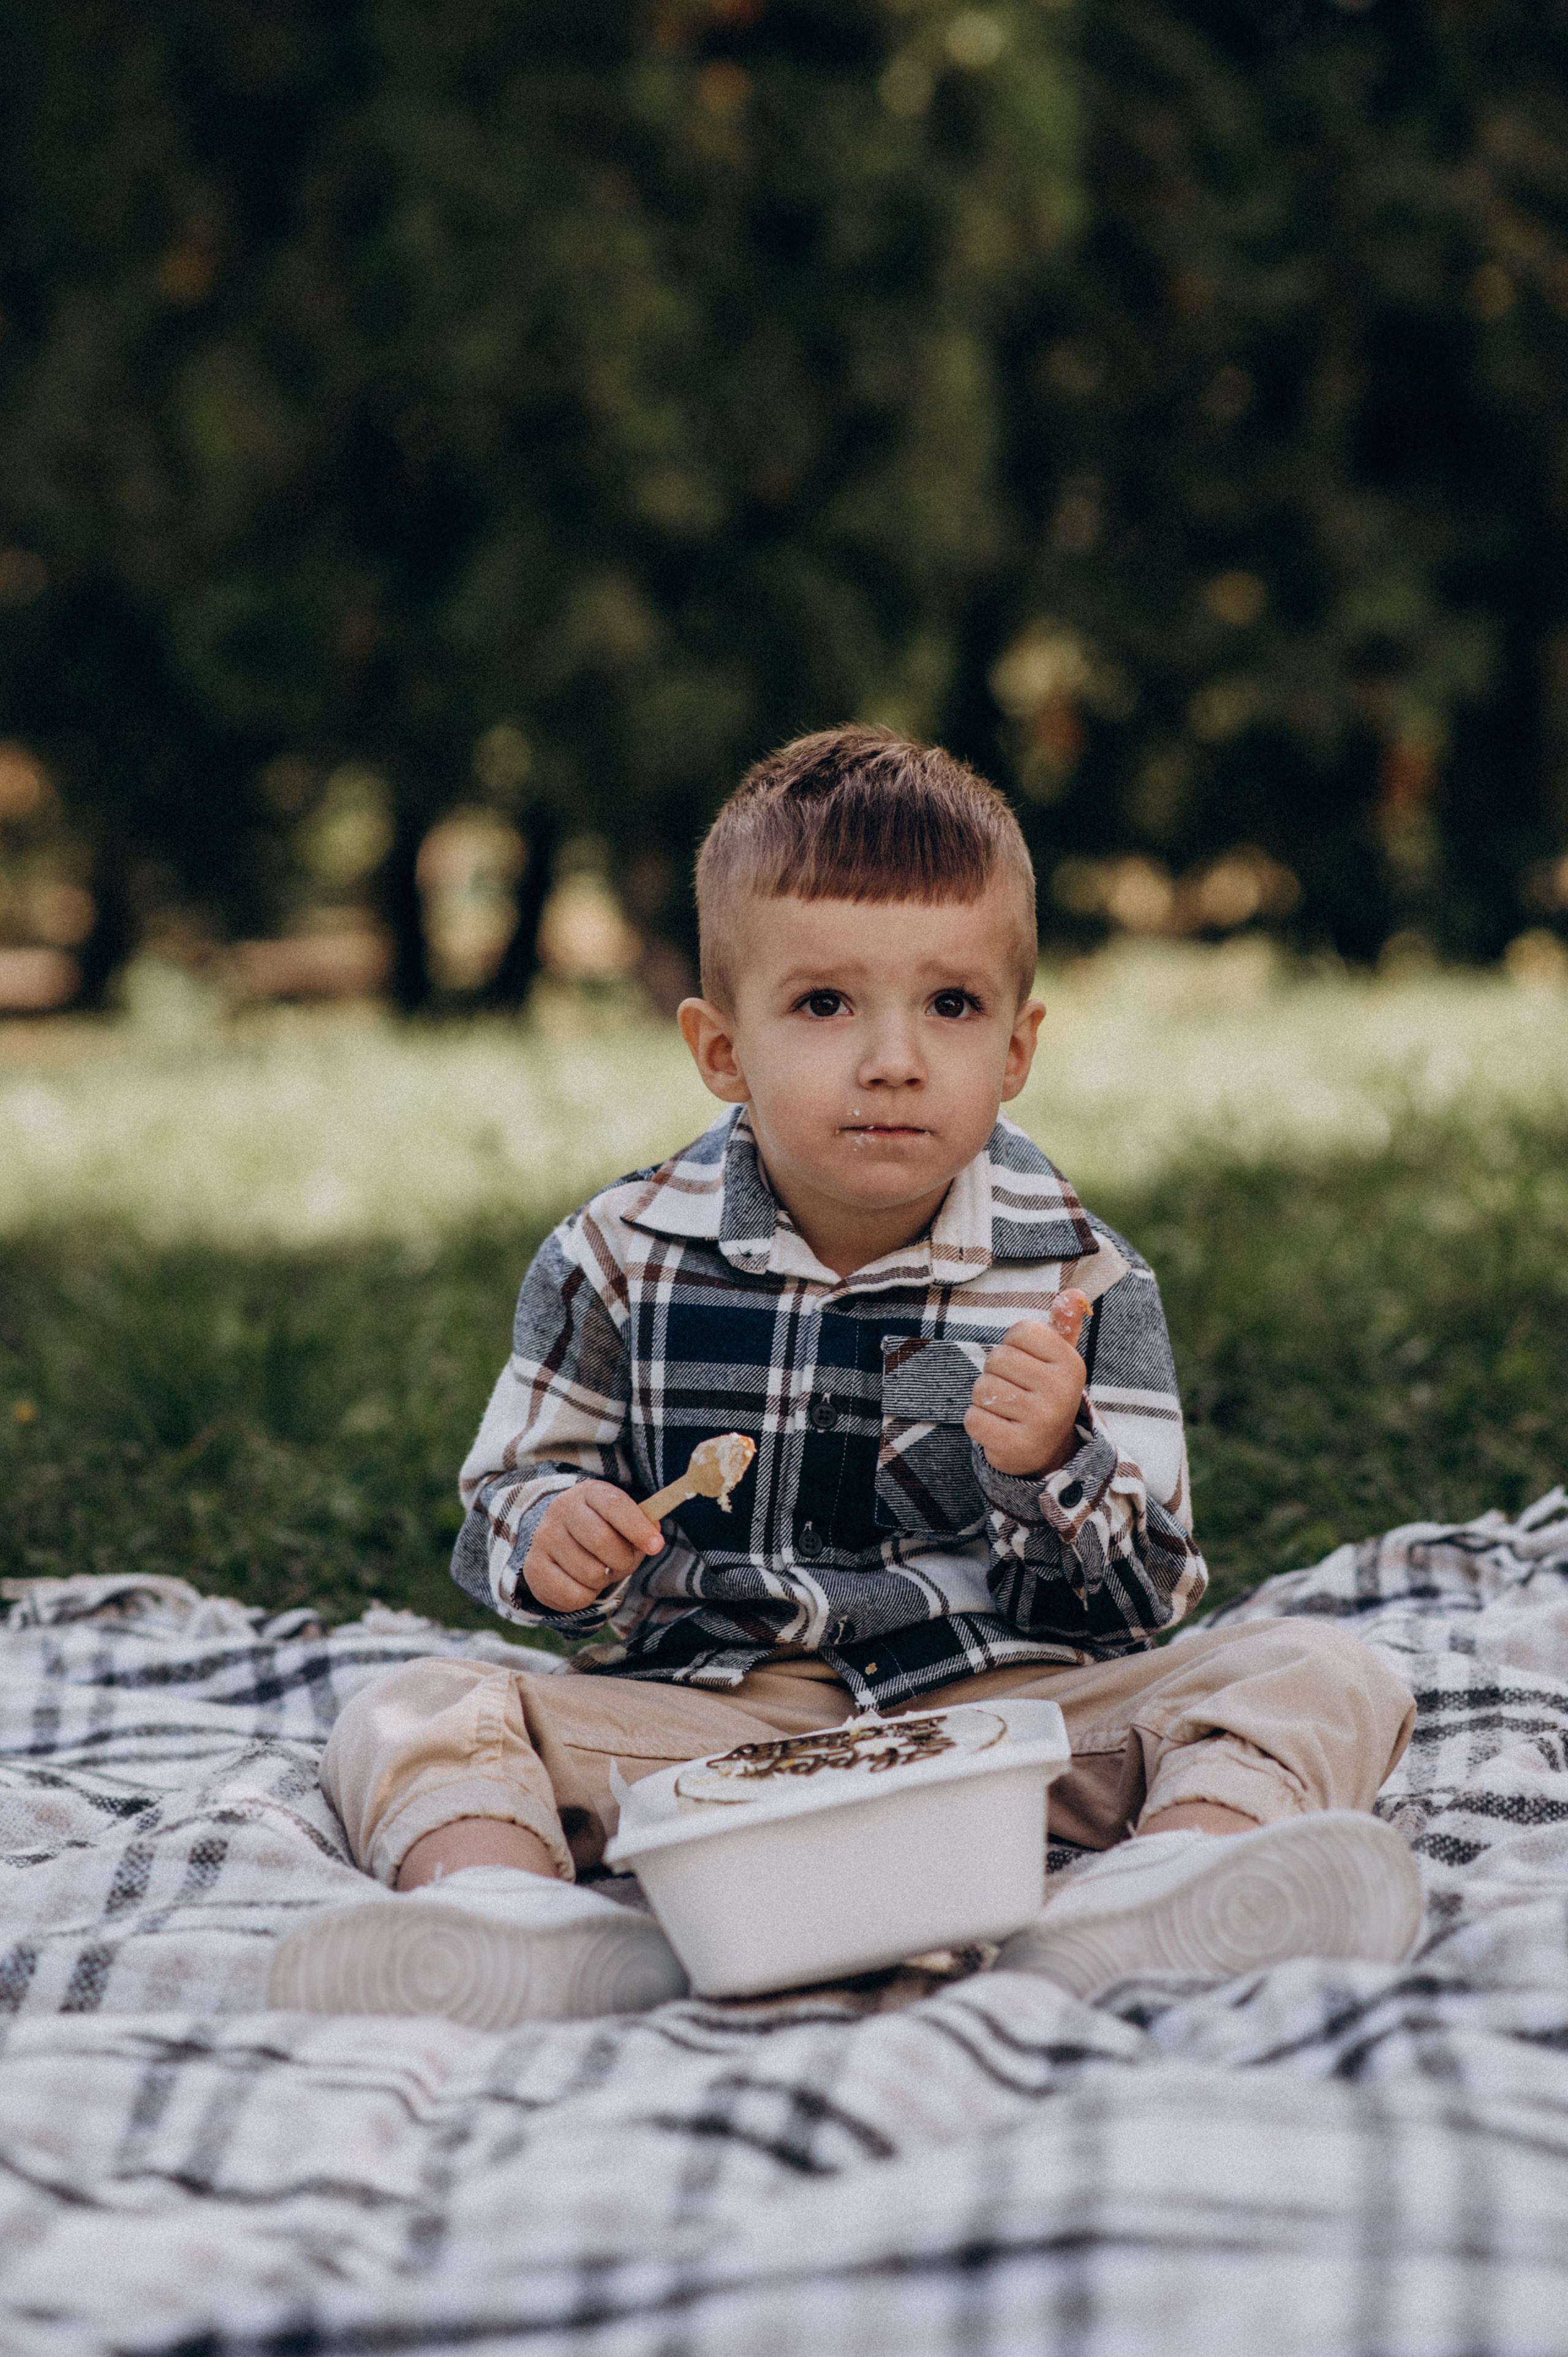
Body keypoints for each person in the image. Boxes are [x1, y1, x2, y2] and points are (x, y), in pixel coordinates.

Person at [270, 728, 1420, 2028]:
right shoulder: (617, 1255)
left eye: (949, 1005)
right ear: (720, 1048)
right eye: (824, 1004)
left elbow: (1148, 1595)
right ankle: (507, 1919)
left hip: (1003, 1730)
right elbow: (505, 1500)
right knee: (413, 1704)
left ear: (1017, 1047)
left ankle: (1165, 1886)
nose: (891, 1059)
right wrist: (548, 1533)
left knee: (1324, 1673)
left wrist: (1052, 1465)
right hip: (711, 1740)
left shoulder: (1080, 1280)